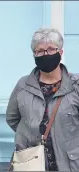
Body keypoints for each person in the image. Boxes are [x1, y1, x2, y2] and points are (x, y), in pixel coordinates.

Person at [6, 28, 79, 171]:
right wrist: (30, 134)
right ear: (34, 54)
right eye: (40, 51)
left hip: (68, 164)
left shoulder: (75, 86)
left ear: (61, 52)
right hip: (31, 163)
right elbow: (12, 118)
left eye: (51, 49)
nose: (46, 54)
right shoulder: (23, 85)